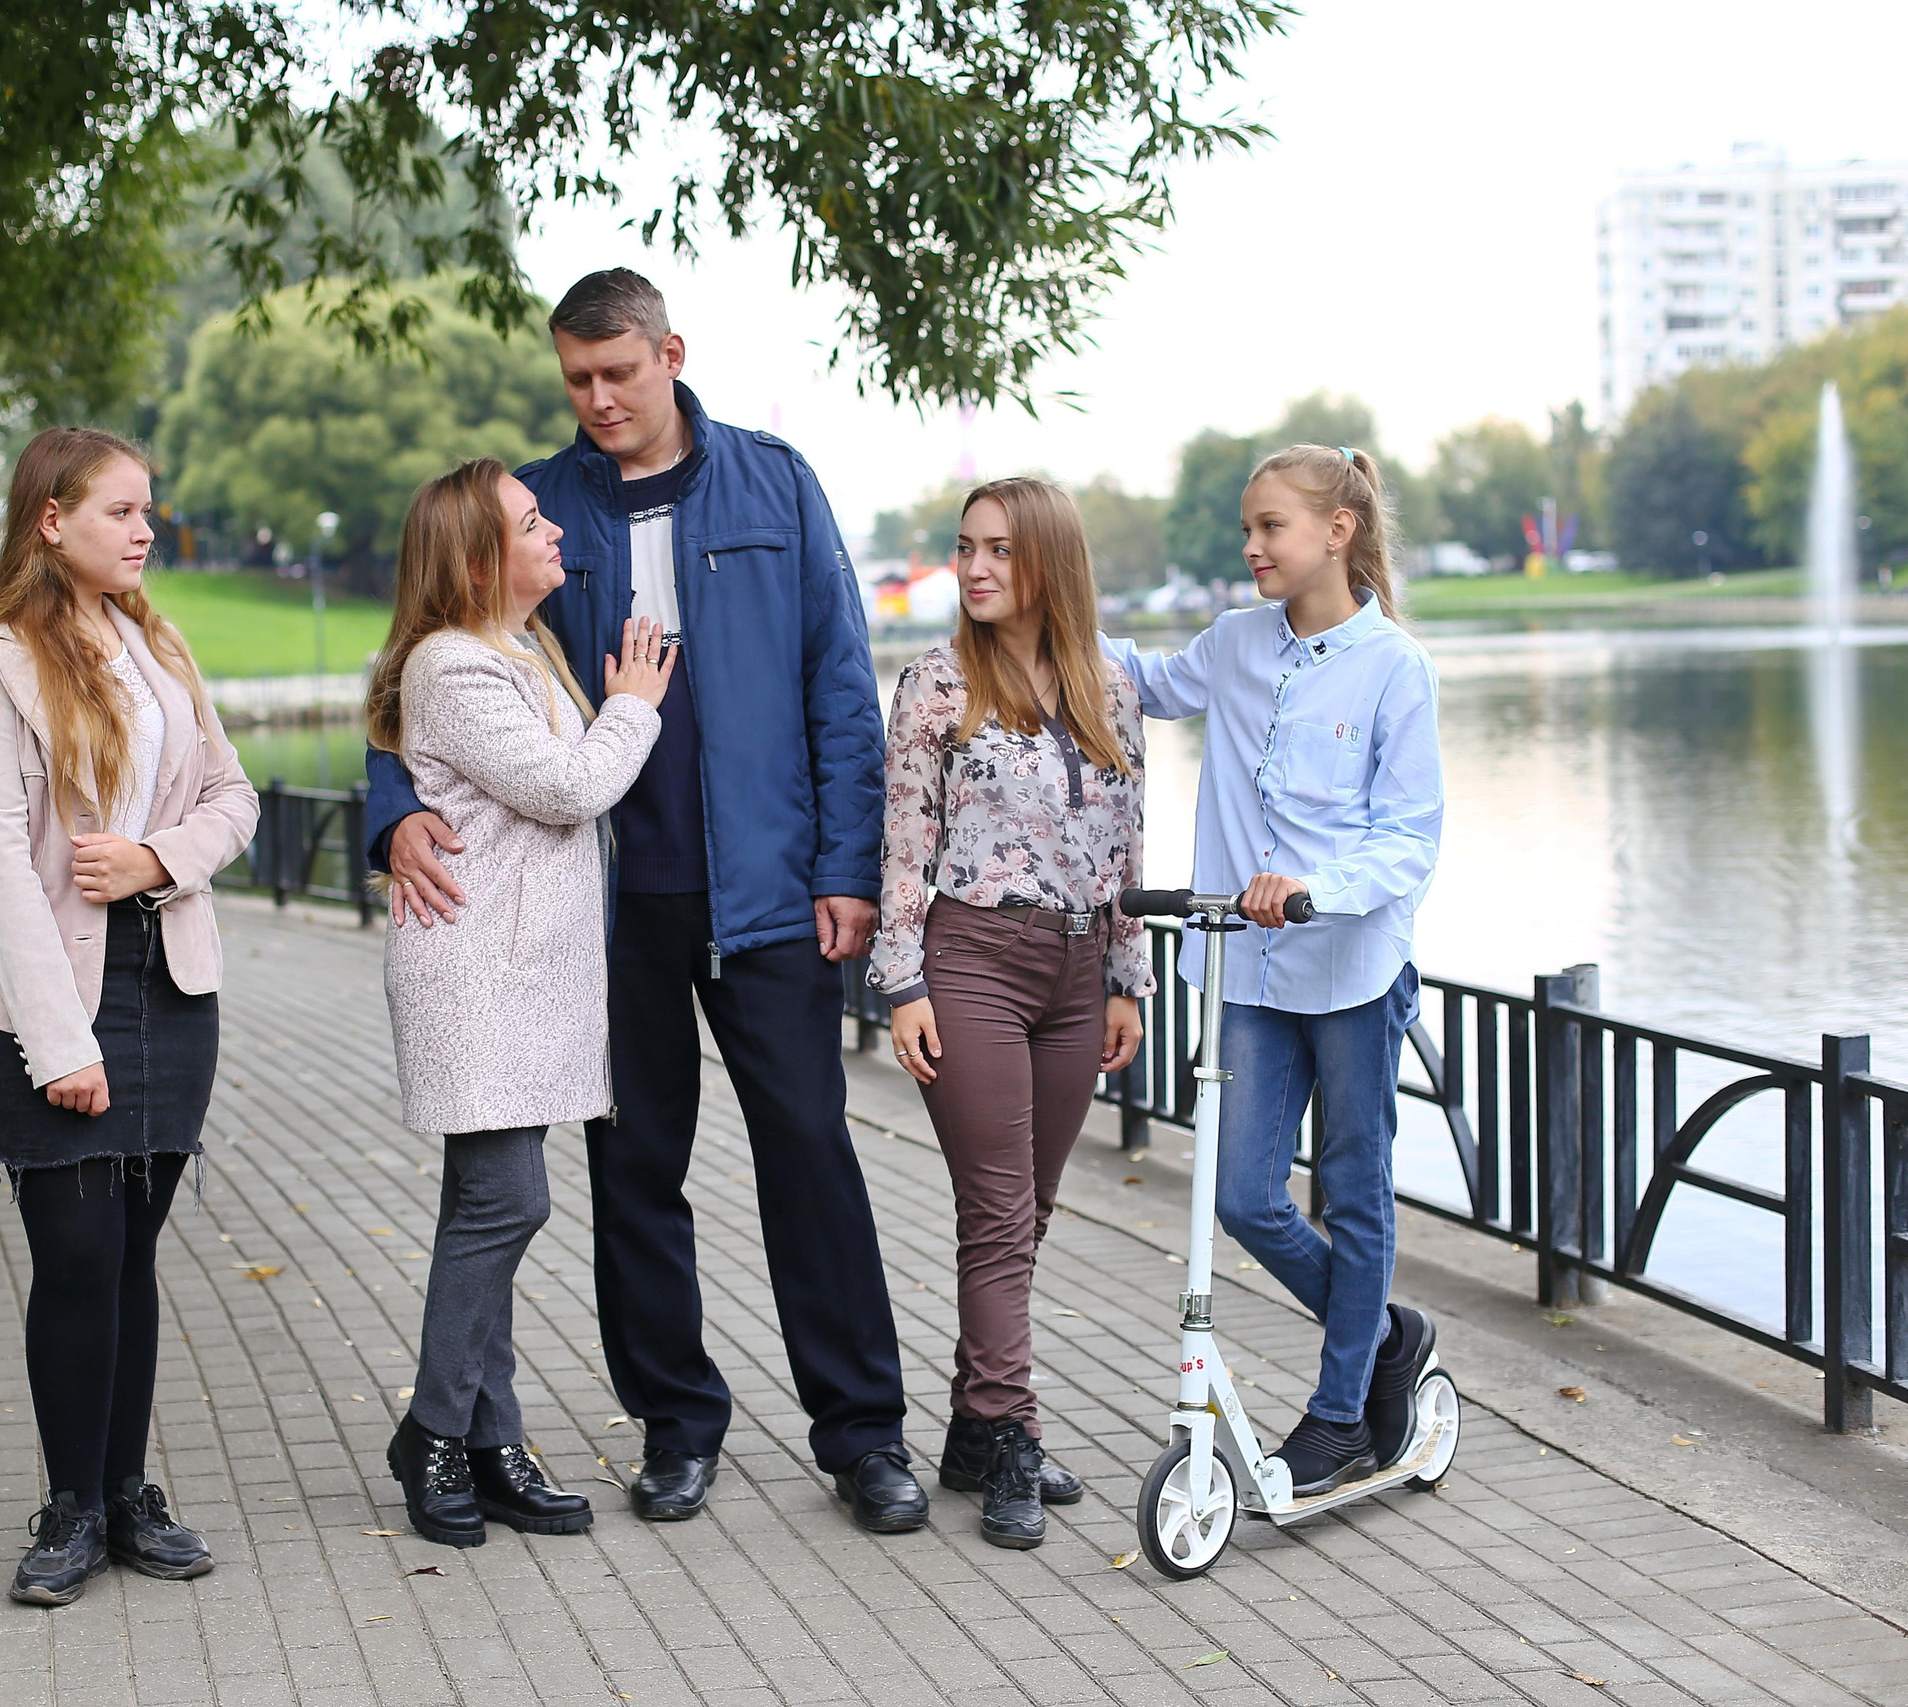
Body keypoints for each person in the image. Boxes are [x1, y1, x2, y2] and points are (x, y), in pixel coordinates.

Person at [365, 269, 926, 1532]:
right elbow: (422, 664)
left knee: (812, 1159)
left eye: (619, 372)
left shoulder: (774, 482)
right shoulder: (535, 508)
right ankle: (676, 1428)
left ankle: (863, 1436)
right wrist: (392, 810)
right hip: (608, 916)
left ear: (671, 353)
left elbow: (839, 684)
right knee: (636, 1175)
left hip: (772, 899)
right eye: (576, 378)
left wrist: (848, 869)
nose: (598, 398)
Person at [0, 427, 259, 1604]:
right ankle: (71, 1507)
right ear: (50, 522)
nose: (145, 532)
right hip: (45, 997)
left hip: (170, 984)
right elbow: (0, 876)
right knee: (76, 1253)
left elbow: (236, 796)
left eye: (149, 511)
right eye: (123, 512)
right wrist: (58, 1044)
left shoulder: (156, 646)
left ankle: (127, 1497)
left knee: (132, 1252)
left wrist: (158, 861)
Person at [1102, 445, 1444, 1498]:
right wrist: (1044, 615)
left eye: (1269, 529)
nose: (1250, 549)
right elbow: (1145, 685)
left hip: (1347, 965)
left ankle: (1340, 1415)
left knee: (1352, 1189)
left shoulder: (1393, 667)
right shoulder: (1235, 644)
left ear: (1336, 531)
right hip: (1249, 973)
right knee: (1245, 1196)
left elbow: (1408, 839)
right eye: (1245, 531)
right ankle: (1385, 1334)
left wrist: (1312, 884)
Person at [365, 458, 676, 1547]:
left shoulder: (519, 647)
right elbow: (567, 789)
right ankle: (435, 1429)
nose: (552, 532)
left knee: (483, 1208)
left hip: (518, 975)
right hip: (473, 972)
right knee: (508, 1204)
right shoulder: (454, 665)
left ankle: (491, 1443)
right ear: (476, 558)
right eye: (530, 522)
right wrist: (633, 708)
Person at [870, 478, 1150, 1548]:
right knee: (995, 1215)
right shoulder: (937, 684)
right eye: (964, 548)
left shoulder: (1111, 687)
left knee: (1025, 1215)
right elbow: (902, 844)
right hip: (974, 962)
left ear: (1048, 565)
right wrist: (904, 985)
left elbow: (1129, 846)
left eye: (998, 551)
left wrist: (1126, 978)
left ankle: (974, 1427)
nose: (975, 569)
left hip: (1078, 976)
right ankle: (1013, 1434)